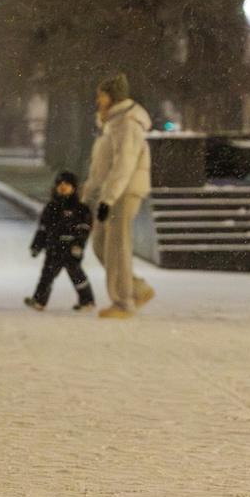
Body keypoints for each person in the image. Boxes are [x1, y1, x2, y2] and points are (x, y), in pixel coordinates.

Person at [81, 73, 156, 319]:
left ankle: (124, 302)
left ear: (112, 96)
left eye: (101, 95)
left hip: (124, 193)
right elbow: (102, 167)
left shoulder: (127, 123)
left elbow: (124, 163)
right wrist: (88, 196)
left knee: (117, 247)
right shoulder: (113, 122)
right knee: (101, 244)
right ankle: (136, 288)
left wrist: (109, 198)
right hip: (112, 194)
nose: (97, 100)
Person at [24, 171, 95, 312]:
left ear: (73, 187)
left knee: (77, 275)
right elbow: (43, 229)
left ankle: (87, 301)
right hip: (54, 248)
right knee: (47, 275)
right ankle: (39, 300)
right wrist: (37, 246)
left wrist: (79, 245)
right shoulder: (51, 208)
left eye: (67, 184)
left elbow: (84, 230)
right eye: (60, 184)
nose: (63, 187)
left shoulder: (81, 209)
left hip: (71, 249)